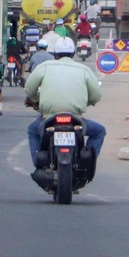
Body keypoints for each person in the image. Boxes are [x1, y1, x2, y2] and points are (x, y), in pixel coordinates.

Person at [24, 37, 106, 167]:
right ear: (74, 53)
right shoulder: (84, 70)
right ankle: (87, 163)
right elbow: (96, 96)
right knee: (99, 131)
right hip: (76, 119)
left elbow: (29, 89)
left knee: (33, 131)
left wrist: (36, 99)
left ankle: (38, 163)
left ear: (55, 53)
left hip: (48, 118)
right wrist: (85, 103)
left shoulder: (44, 67)